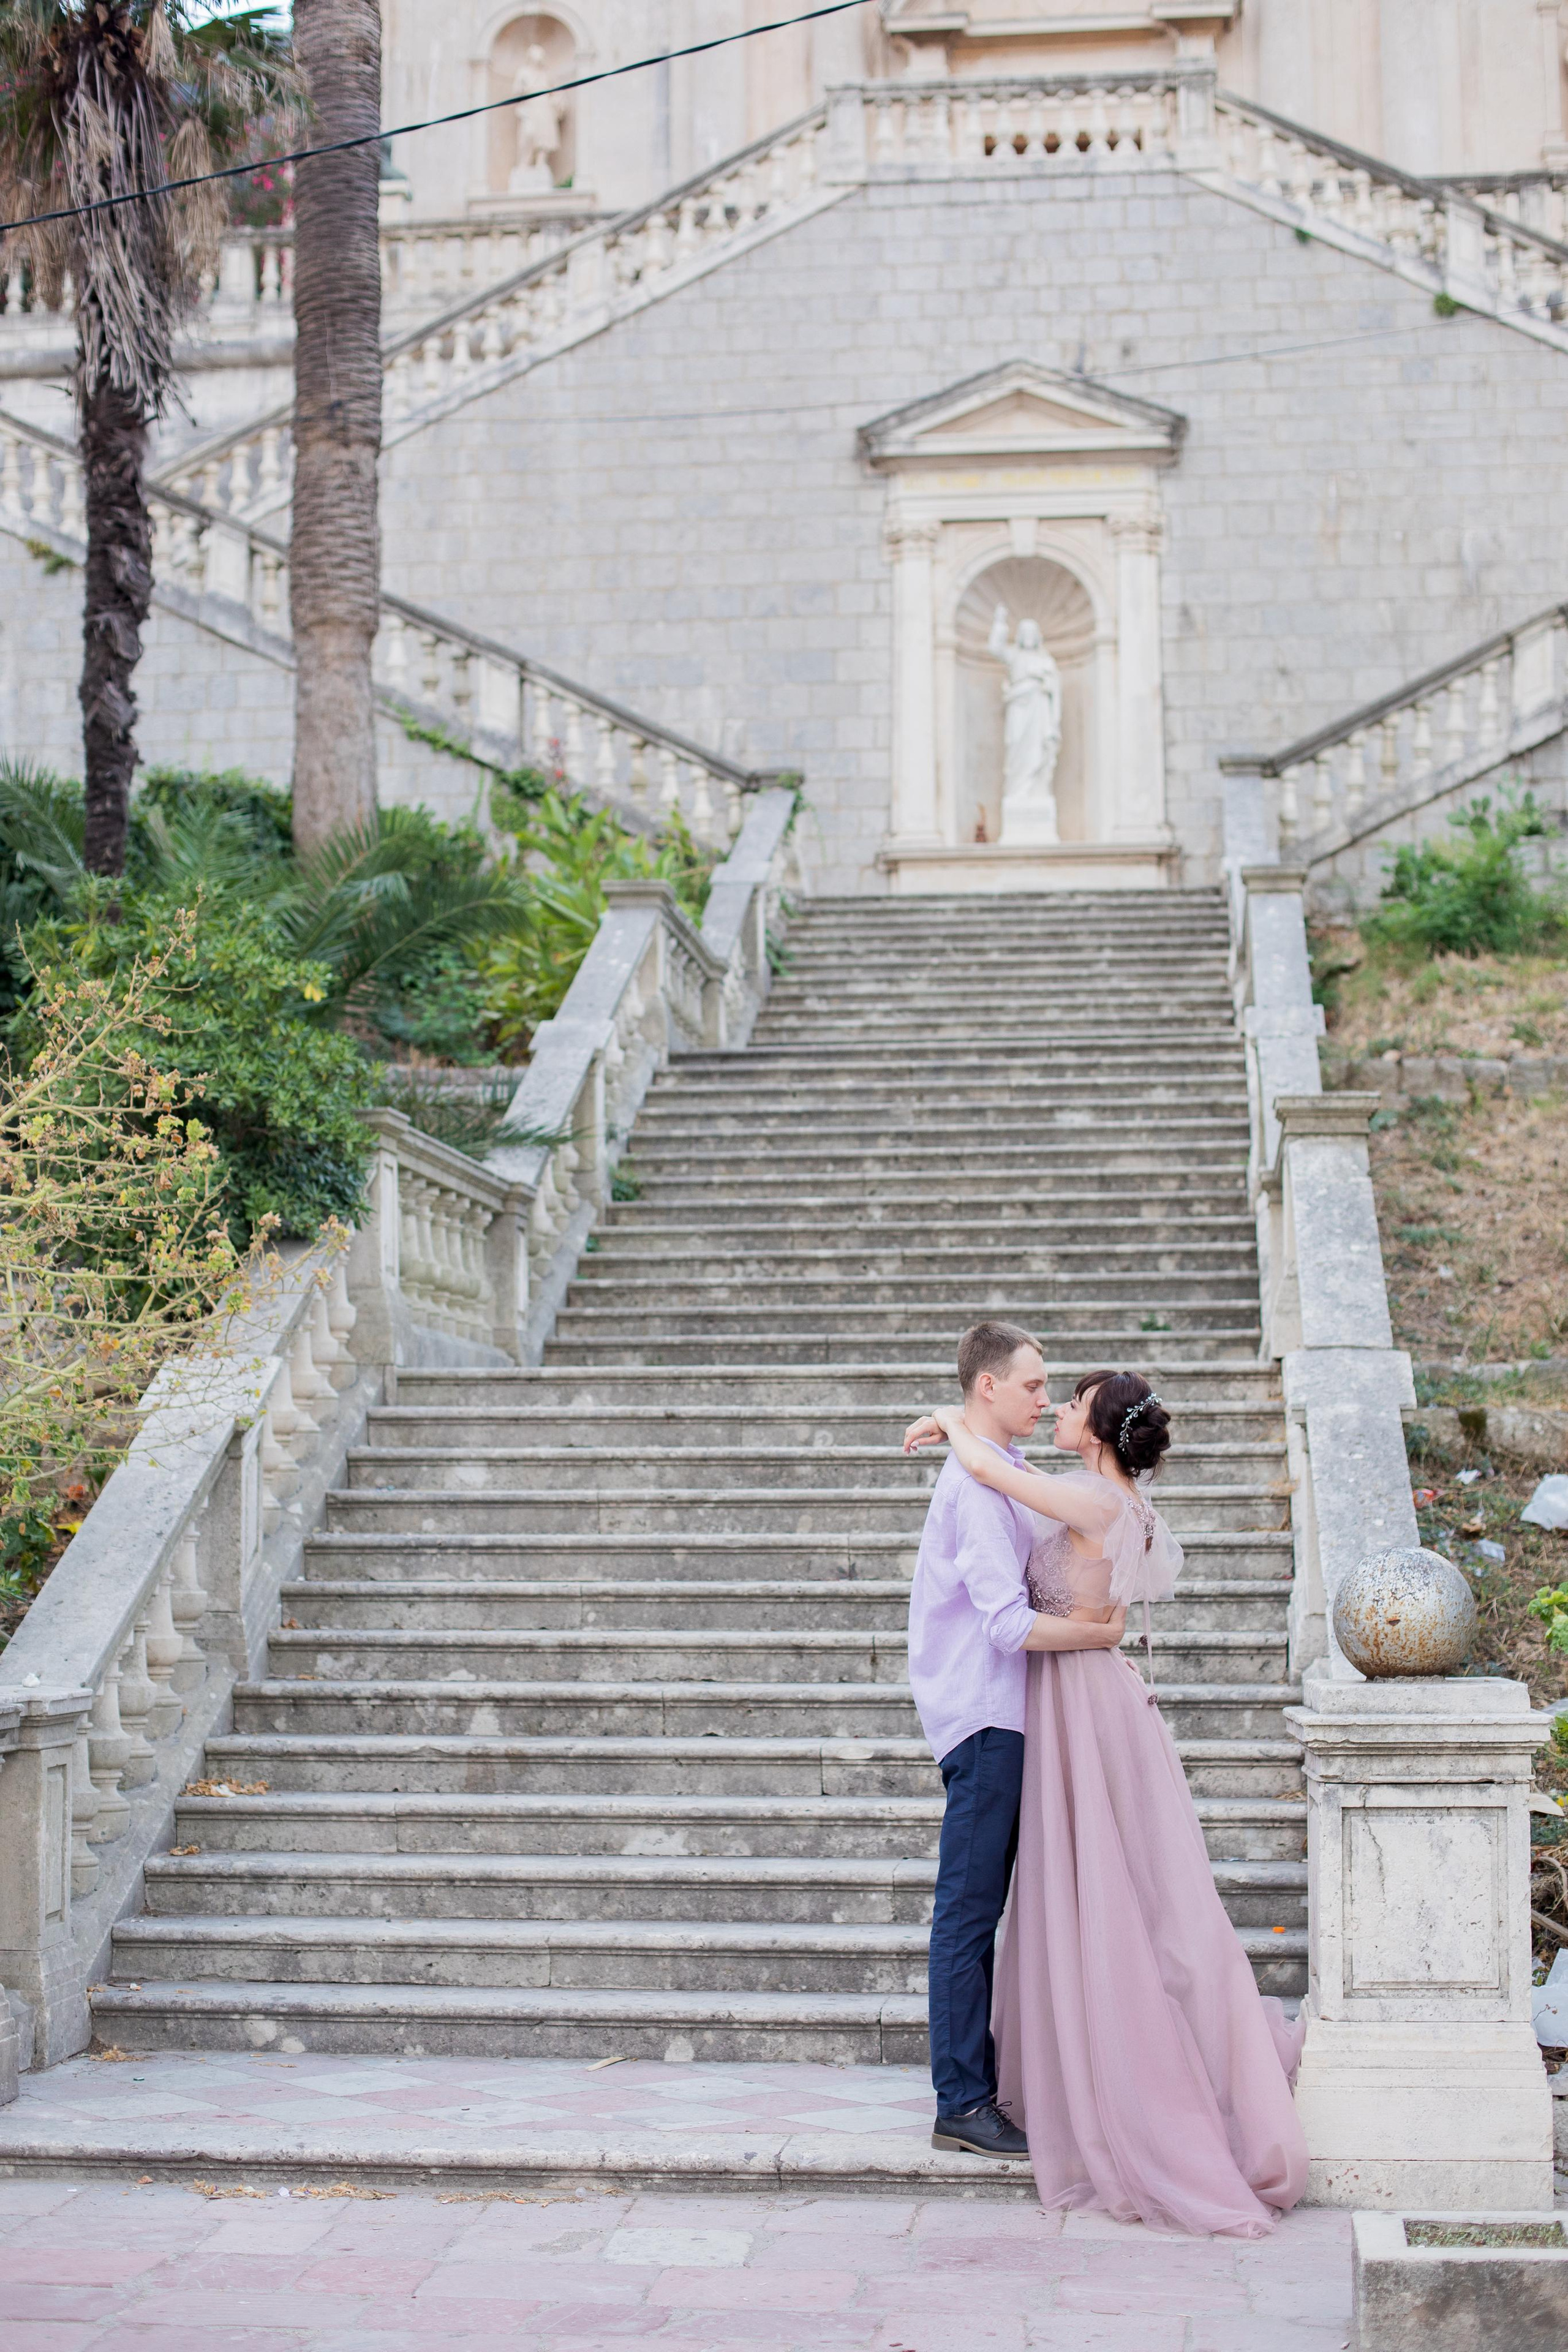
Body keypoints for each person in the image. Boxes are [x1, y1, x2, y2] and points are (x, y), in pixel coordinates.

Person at [903, 1367, 1309, 2237]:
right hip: (1078, 1693)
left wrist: (952, 1417)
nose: (1054, 1406)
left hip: (1079, 1702)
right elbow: (1113, 1617)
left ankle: (1137, 2083)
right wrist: (1098, 1633)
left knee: (1117, 1898)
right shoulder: (1112, 1502)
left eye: (1071, 1400)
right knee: (1101, 1889)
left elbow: (993, 1475)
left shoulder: (1093, 1498)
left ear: (1096, 1431)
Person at [907, 1321, 1128, 2162]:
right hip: (986, 1716)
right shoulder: (972, 1491)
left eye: (1048, 1388)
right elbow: (1005, 1626)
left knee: (988, 1909)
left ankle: (987, 2084)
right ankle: (960, 2100)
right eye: (1034, 1385)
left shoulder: (1008, 1475)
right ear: (987, 1387)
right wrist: (1103, 1640)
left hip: (1017, 1718)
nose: (1046, 1396)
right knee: (967, 1913)